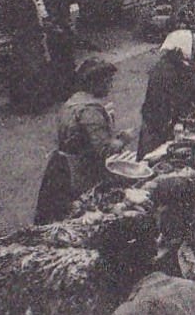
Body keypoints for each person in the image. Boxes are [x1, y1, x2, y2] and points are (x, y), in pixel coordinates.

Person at [34, 58, 131, 224]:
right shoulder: (90, 109)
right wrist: (123, 139)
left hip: (59, 164)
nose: (110, 86)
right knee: (85, 214)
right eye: (107, 82)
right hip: (80, 172)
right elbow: (105, 149)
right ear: (95, 83)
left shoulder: (73, 101)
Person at [137, 30, 195, 157]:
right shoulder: (183, 69)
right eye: (193, 45)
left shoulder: (160, 65)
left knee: (149, 158)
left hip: (151, 124)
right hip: (167, 126)